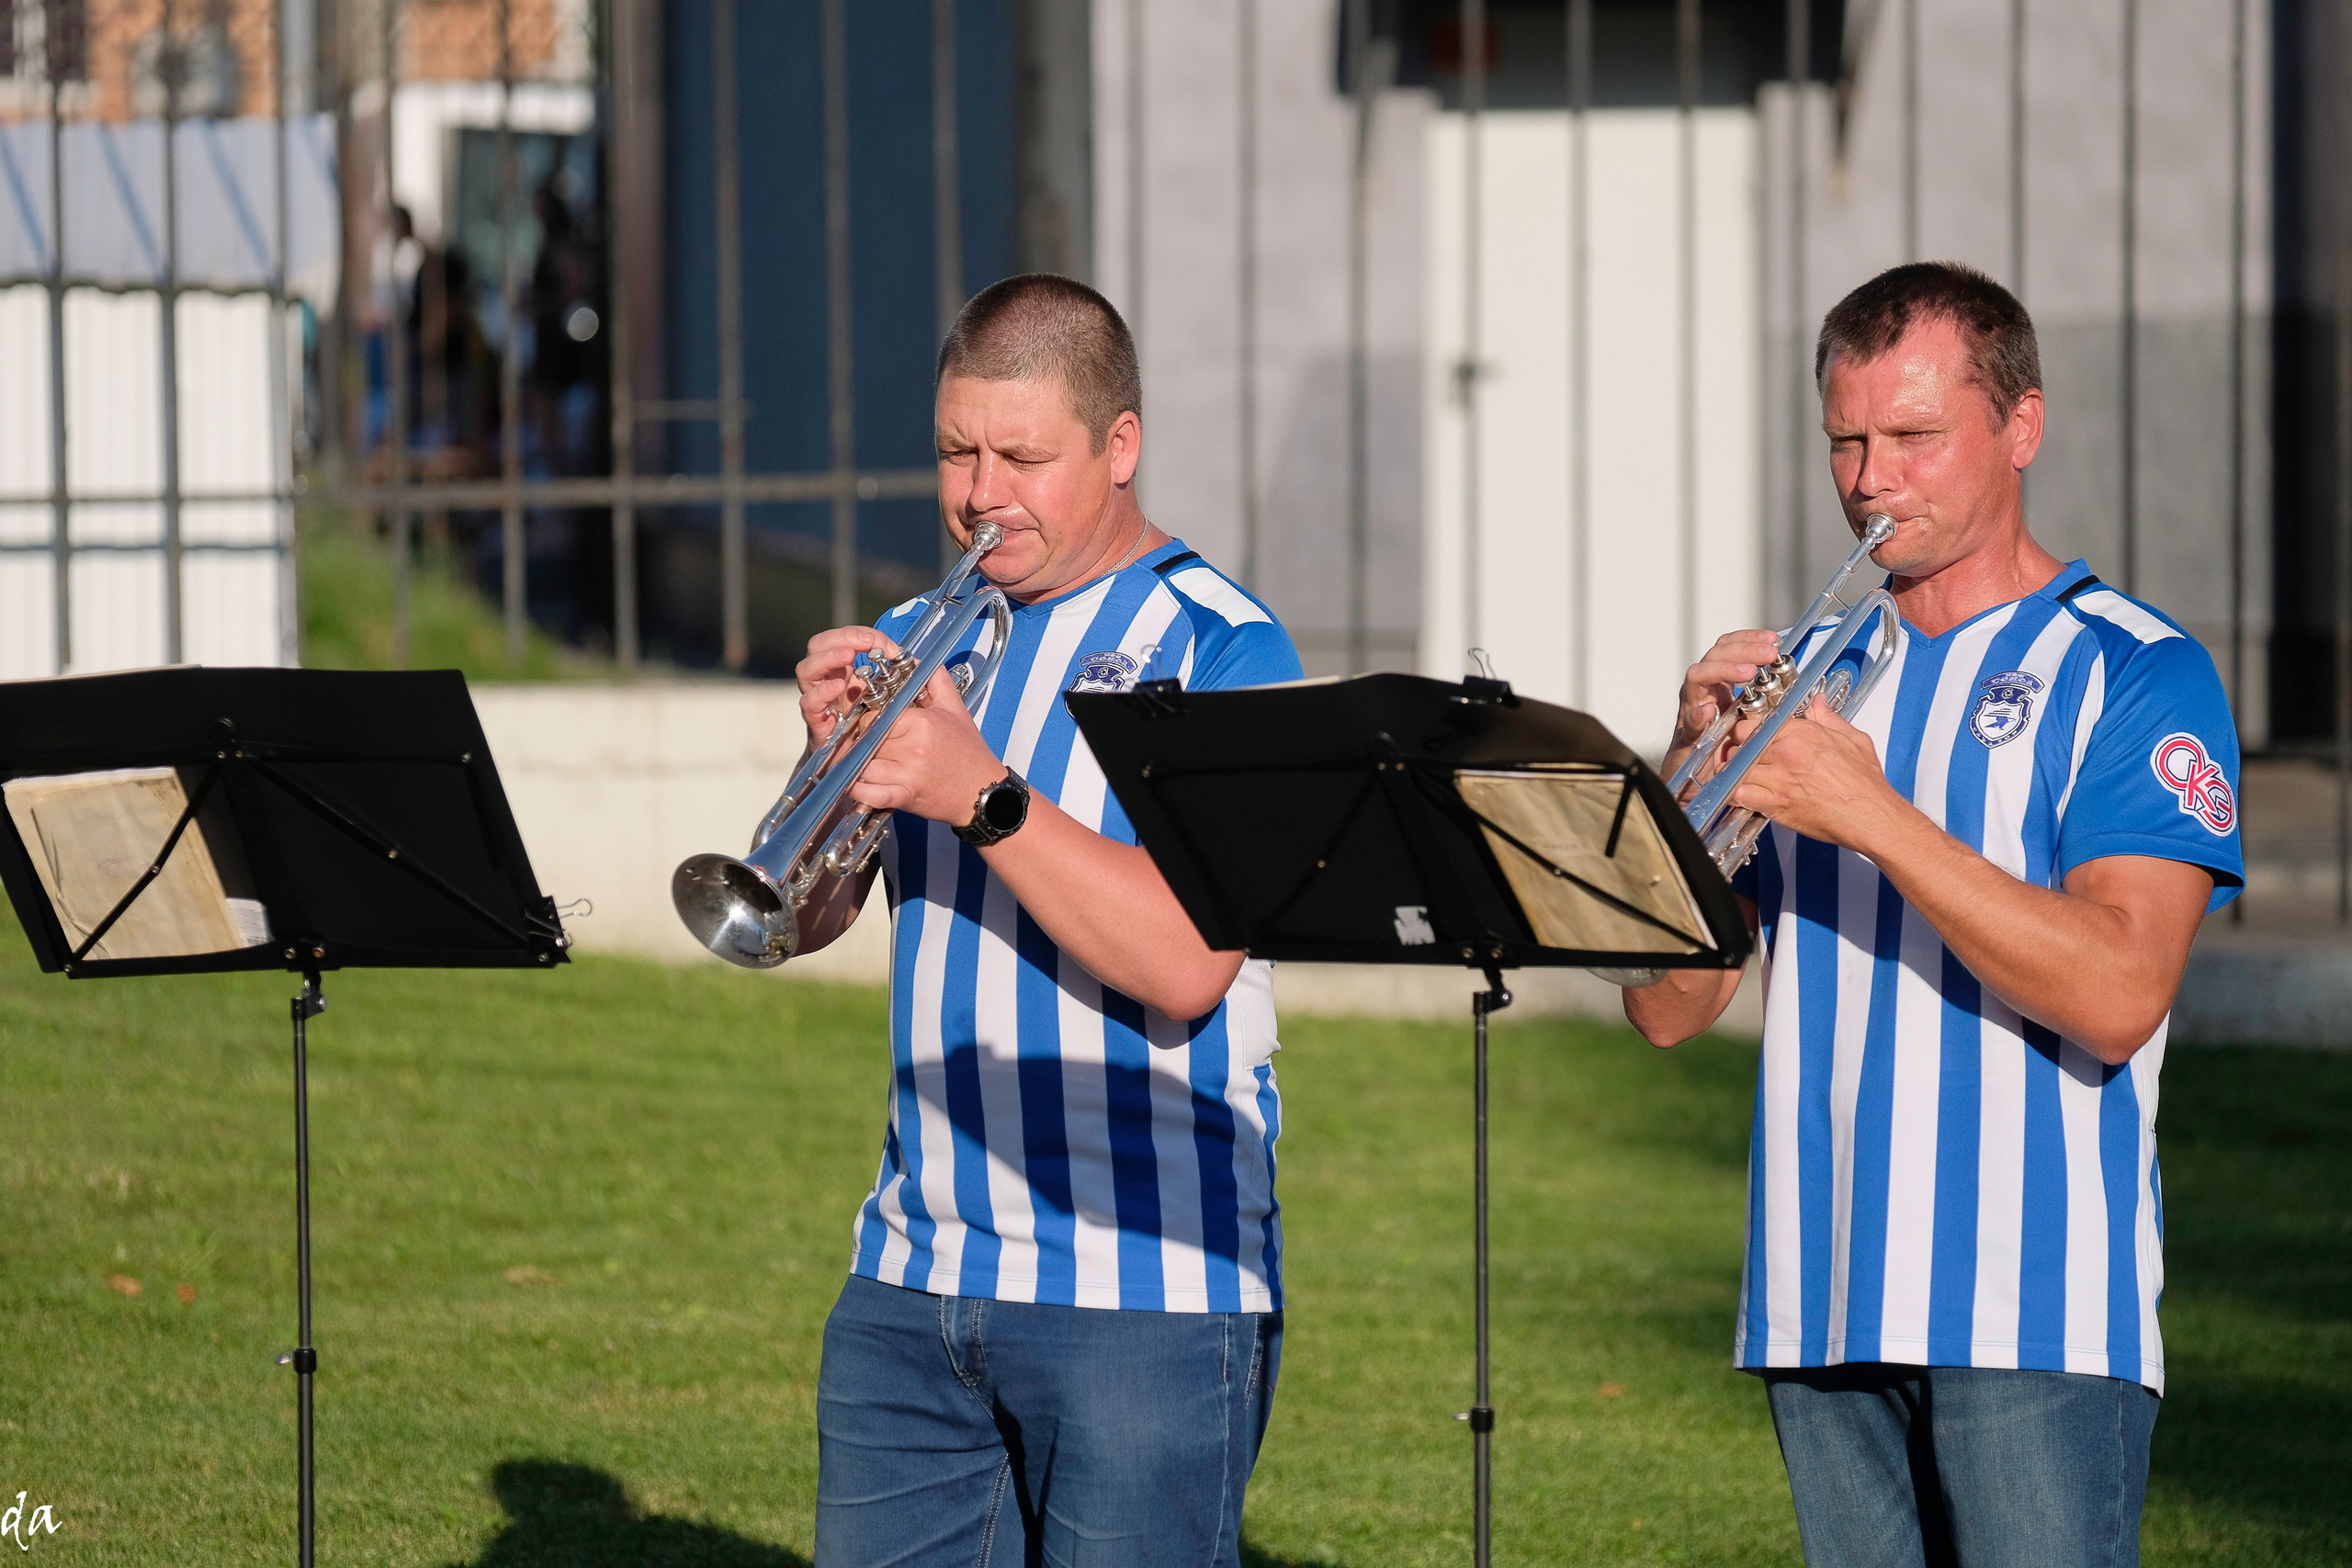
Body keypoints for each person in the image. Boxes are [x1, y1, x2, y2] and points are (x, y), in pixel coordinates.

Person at [1624, 262, 2243, 1568]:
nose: (1869, 481)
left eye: (1914, 437)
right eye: (1846, 440)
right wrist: (1686, 787)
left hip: (2036, 1316)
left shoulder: (2136, 667)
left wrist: (1872, 811)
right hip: (1821, 1295)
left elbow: (2121, 990)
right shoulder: (1819, 681)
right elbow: (1668, 1009)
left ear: (2020, 429)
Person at [793, 274, 1302, 1567]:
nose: (979, 494)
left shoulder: (1225, 648)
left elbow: (1189, 961)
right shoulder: (921, 634)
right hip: (915, 1275)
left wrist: (979, 794)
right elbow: (805, 919)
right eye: (958, 452)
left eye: (1023, 456)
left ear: (1119, 447)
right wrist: (819, 787)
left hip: (1146, 1292)